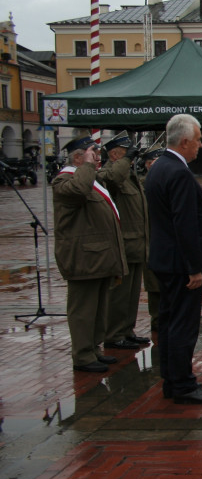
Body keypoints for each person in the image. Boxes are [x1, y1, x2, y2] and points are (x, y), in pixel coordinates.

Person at [145, 114, 202, 404]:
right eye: (199, 140)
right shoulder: (177, 172)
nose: (201, 146)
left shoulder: (158, 168)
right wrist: (194, 268)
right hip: (180, 265)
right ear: (186, 141)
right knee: (182, 326)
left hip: (165, 260)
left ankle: (171, 380)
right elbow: (184, 223)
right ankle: (183, 384)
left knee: (167, 322)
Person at [53, 134, 128, 372]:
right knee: (83, 310)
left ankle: (94, 349)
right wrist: (86, 165)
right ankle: (83, 355)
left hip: (98, 257)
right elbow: (78, 191)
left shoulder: (89, 179)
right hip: (83, 258)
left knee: (98, 308)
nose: (98, 159)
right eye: (93, 154)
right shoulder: (64, 181)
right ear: (78, 157)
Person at [98, 130, 151, 350]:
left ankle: (127, 330)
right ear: (113, 155)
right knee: (119, 295)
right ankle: (113, 334)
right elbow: (111, 178)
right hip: (123, 245)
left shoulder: (130, 177)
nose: (130, 157)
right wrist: (127, 159)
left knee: (131, 295)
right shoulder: (110, 175)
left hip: (137, 243)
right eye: (124, 153)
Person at [139, 145, 164, 340]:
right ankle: (157, 320)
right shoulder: (144, 184)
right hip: (149, 239)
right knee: (154, 283)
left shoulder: (163, 181)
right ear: (148, 164)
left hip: (163, 239)